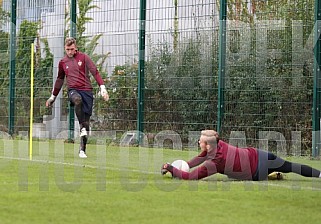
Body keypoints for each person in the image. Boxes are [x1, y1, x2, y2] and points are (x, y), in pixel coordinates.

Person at [161, 130, 321, 181]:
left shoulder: (215, 163)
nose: (198, 142)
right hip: (261, 155)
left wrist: (171, 168)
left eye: (200, 141)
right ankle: (319, 174)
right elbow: (201, 157)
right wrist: (187, 164)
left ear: (208, 145)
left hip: (256, 172)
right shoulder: (218, 143)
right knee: (290, 166)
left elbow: (191, 177)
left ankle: (271, 175)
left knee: (234, 176)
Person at [46, 37, 109, 158]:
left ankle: (82, 150)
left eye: (72, 49)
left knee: (86, 124)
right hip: (73, 91)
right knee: (77, 100)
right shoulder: (63, 62)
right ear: (65, 48)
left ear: (76, 48)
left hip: (87, 92)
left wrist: (102, 87)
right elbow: (59, 80)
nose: (70, 52)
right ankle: (82, 128)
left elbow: (95, 71)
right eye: (68, 49)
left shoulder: (84, 58)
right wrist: (53, 97)